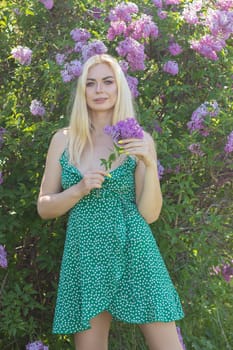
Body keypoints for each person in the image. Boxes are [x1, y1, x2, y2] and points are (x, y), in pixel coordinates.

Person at [37, 53, 184, 350]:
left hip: (133, 246)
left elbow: (150, 214)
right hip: (86, 252)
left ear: (119, 88)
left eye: (107, 82)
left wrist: (150, 163)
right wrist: (78, 189)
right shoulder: (63, 140)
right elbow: (44, 206)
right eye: (91, 84)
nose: (100, 90)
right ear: (83, 92)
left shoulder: (137, 139)